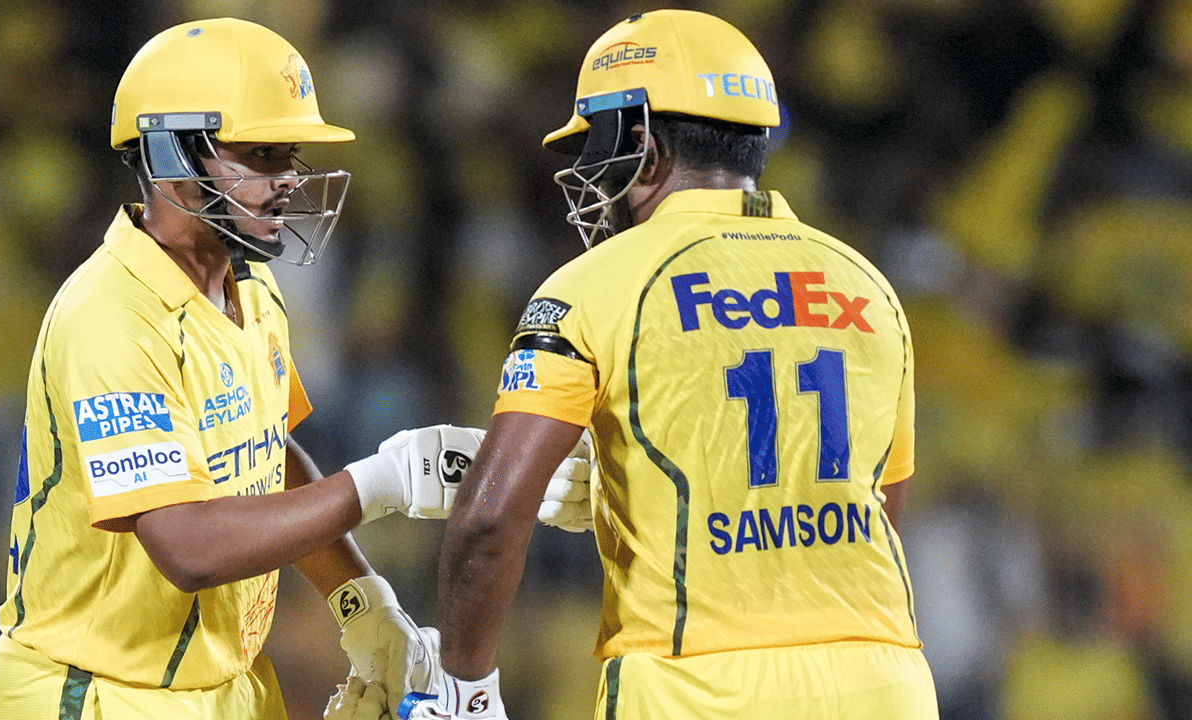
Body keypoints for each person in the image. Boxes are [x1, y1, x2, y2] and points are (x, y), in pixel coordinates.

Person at [0, 18, 588, 720]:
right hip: (98, 690)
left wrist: (362, 603)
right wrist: (382, 482)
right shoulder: (112, 315)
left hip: (226, 682)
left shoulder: (253, 287)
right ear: (171, 154)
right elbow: (188, 547)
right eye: (261, 154)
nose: (289, 179)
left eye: (289, 155)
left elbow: (269, 455)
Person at [401, 9, 939, 720]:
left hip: (696, 688)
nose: (591, 177)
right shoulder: (868, 285)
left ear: (644, 150)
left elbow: (490, 522)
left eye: (597, 148)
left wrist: (461, 691)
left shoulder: (591, 287)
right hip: (885, 682)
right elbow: (879, 512)